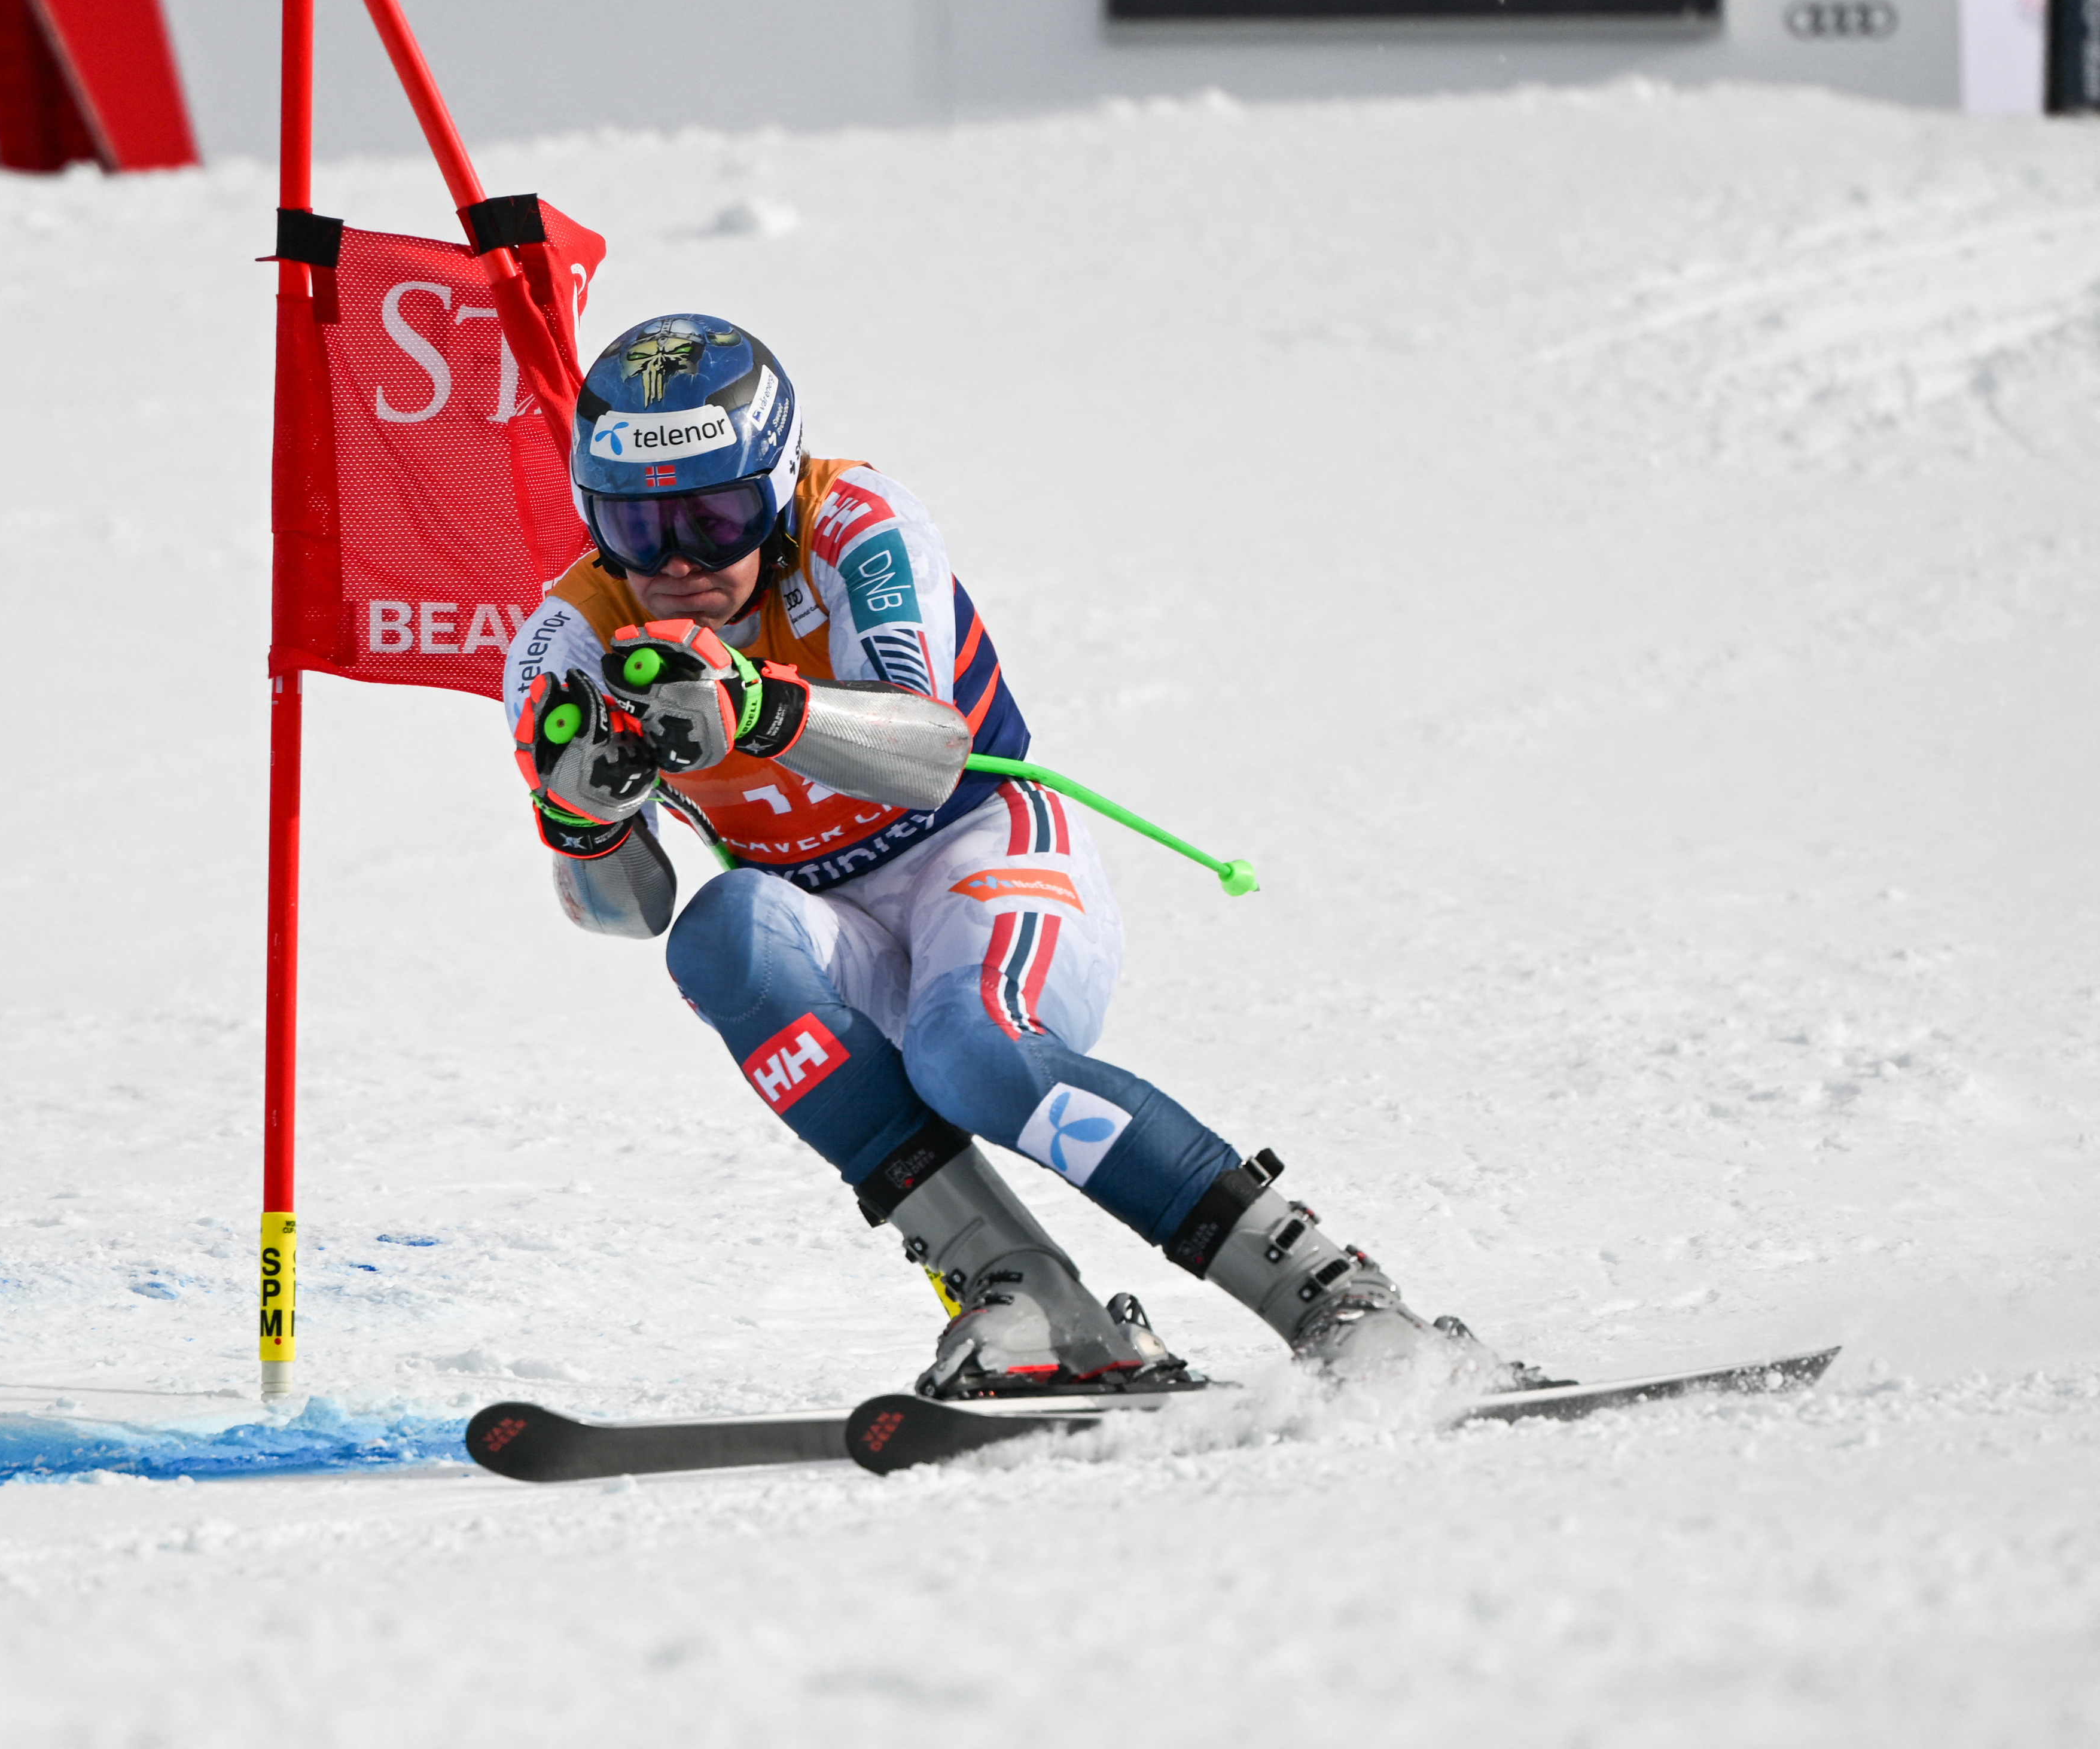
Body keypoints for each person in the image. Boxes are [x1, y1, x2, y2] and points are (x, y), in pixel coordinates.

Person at [504, 312, 1508, 1399]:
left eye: (716, 517)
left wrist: (761, 708)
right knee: (720, 936)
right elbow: (626, 915)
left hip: (975, 846)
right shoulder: (565, 646)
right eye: (636, 527)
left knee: (970, 1053)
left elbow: (932, 755)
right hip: (827, 919)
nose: (677, 563)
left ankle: (1331, 1293)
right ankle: (1026, 1297)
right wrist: (584, 819)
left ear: (781, 489)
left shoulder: (857, 522)